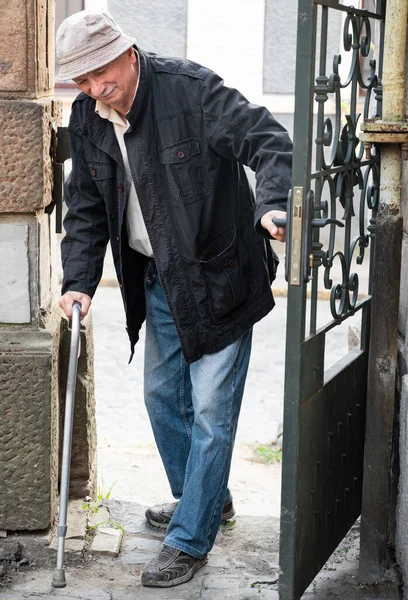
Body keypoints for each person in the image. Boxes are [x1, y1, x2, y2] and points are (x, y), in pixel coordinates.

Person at [56, 9, 292, 588]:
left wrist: (272, 206)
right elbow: (85, 207)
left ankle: (190, 538)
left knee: (211, 411)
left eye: (102, 76)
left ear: (128, 53)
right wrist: (78, 280)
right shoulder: (88, 116)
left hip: (222, 274)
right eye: (82, 82)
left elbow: (269, 139)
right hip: (156, 280)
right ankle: (206, 500)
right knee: (163, 397)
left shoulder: (191, 91)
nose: (95, 90)